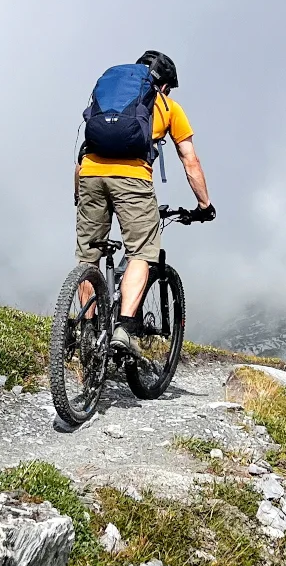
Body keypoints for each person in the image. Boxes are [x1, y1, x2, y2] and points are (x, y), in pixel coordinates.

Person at [74, 50, 215, 354]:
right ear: (164, 85)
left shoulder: (110, 99)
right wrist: (205, 205)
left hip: (89, 174)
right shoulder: (168, 106)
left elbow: (83, 151)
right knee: (141, 251)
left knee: (89, 255)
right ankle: (123, 329)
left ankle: (87, 330)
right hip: (132, 179)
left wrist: (80, 194)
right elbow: (190, 160)